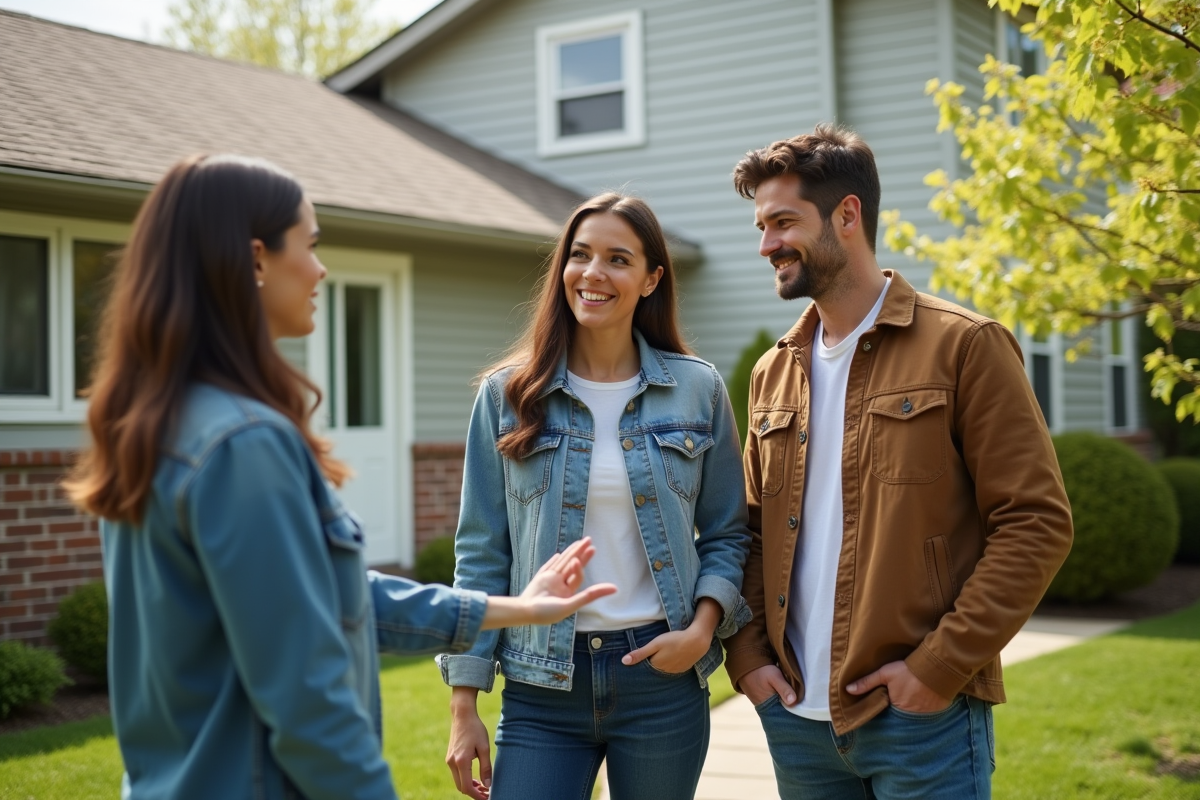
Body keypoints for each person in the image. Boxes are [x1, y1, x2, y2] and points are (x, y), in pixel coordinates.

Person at [64, 154, 616, 800]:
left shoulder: (159, 423)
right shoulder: (242, 445)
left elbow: (327, 593)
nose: (320, 269)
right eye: (310, 244)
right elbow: (305, 694)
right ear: (256, 260)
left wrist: (517, 608)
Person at [721, 125, 1074, 799]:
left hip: (920, 723)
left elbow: (1036, 522)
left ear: (847, 215)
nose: (766, 245)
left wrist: (937, 668)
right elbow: (751, 532)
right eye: (761, 226)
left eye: (783, 222)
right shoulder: (774, 371)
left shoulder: (965, 346)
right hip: (796, 722)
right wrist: (748, 660)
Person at [441, 193, 751, 800]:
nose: (593, 273)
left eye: (618, 259)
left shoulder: (699, 389)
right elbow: (481, 553)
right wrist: (464, 701)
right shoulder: (507, 395)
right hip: (541, 684)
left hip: (660, 678)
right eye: (580, 255)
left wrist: (702, 630)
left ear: (651, 279)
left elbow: (727, 533)